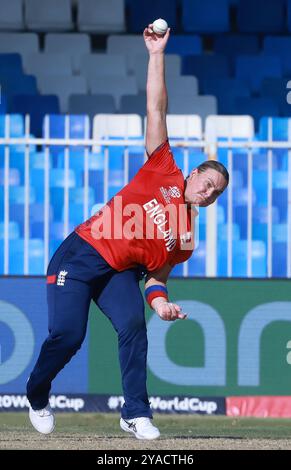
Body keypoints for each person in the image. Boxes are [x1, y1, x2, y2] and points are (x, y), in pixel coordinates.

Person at [26, 24, 229, 440]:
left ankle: (135, 412)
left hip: (119, 272)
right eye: (206, 184)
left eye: (216, 193)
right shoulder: (163, 167)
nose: (208, 193)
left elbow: (156, 278)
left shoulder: (186, 239)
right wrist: (156, 55)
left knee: (134, 323)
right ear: (192, 174)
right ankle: (36, 393)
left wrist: (161, 304)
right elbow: (157, 109)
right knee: (68, 336)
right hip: (82, 253)